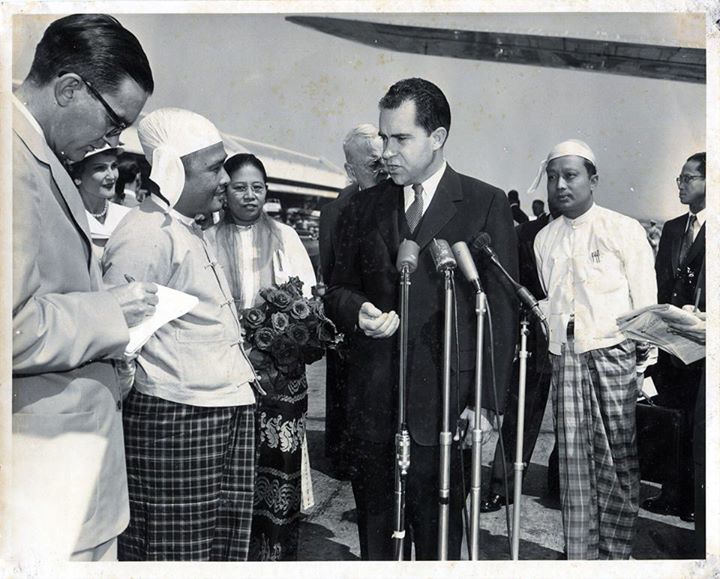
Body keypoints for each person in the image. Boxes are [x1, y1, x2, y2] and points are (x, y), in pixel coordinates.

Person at [325, 78, 517, 560]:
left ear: (438, 137)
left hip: (446, 411)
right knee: (376, 546)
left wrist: (486, 402)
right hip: (374, 408)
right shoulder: (362, 205)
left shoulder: (484, 203)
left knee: (438, 548)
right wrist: (358, 312)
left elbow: (499, 311)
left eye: (400, 139)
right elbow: (337, 289)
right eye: (383, 138)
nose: (386, 152)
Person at [11, 13, 156, 561]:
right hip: (46, 482)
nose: (113, 142)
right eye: (115, 122)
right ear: (70, 88)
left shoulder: (37, 155)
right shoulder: (13, 164)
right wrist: (109, 315)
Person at [102, 108, 258, 561]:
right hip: (176, 420)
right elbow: (118, 336)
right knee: (173, 553)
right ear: (173, 171)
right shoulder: (148, 233)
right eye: (213, 169)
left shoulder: (184, 227)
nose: (225, 180)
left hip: (218, 409)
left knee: (218, 551)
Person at [532, 139, 657, 559]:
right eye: (553, 178)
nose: (560, 186)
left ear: (593, 180)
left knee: (617, 458)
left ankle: (616, 552)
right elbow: (552, 297)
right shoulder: (544, 239)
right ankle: (580, 554)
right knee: (572, 461)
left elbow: (645, 301)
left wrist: (645, 363)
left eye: (570, 176)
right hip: (565, 356)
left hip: (614, 354)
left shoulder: (623, 229)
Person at [206, 153, 316, 561]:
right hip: (228, 371)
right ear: (224, 191)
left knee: (278, 470)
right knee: (232, 473)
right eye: (239, 187)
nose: (250, 195)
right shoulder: (207, 240)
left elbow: (305, 296)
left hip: (280, 373)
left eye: (258, 187)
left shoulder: (286, 236)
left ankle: (277, 557)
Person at [480, 197, 560, 513]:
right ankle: (503, 486)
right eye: (552, 179)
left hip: (580, 339)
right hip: (534, 340)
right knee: (521, 414)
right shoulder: (526, 233)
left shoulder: (596, 231)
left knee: (575, 419)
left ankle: (560, 483)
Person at [319, 123, 387, 479]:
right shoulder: (335, 212)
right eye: (374, 164)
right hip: (350, 322)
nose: (384, 169)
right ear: (351, 170)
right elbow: (333, 275)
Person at [642, 152, 706, 524]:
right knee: (672, 416)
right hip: (671, 343)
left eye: (688, 178)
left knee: (698, 424)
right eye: (679, 178)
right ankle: (671, 493)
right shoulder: (671, 228)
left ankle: (694, 499)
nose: (681, 185)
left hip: (702, 342)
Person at [69, 144, 131, 258]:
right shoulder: (67, 218)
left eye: (114, 166)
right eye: (100, 168)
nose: (111, 176)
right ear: (78, 177)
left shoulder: (127, 216)